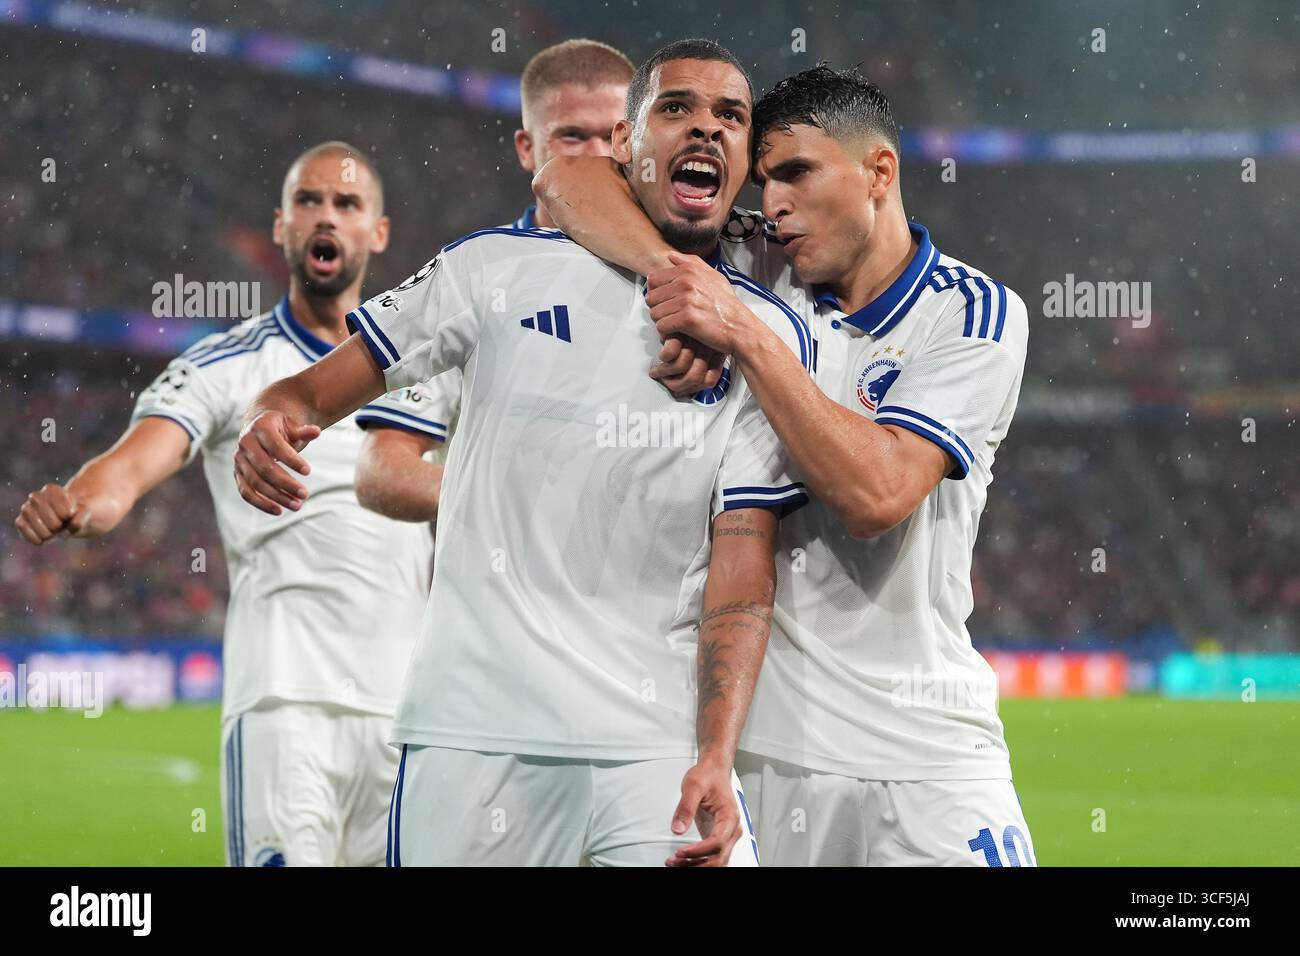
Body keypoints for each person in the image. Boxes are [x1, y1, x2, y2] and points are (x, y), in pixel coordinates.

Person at [233, 40, 813, 867]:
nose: (707, 129)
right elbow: (304, 396)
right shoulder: (490, 270)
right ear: (627, 143)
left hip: (657, 745)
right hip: (475, 738)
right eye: (676, 108)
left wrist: (717, 751)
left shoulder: (763, 320)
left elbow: (743, 557)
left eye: (731, 116)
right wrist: (267, 420)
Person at [533, 64, 1037, 866]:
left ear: (879, 171)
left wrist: (742, 333)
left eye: (797, 172)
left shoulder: (970, 312)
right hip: (756, 759)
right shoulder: (757, 258)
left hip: (925, 753)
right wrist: (679, 276)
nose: (771, 204)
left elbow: (879, 492)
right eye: (763, 180)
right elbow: (566, 178)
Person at [15, 142, 441, 867]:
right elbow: (131, 463)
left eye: (346, 203)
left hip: (410, 712)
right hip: (283, 703)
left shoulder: (428, 366)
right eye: (308, 202)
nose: (324, 217)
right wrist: (84, 502)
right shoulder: (228, 363)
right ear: (281, 226)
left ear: (379, 232)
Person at [354, 39, 636, 523]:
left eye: (613, 136)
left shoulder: (688, 276)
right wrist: (517, 508)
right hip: (500, 594)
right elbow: (382, 468)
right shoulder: (475, 278)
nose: (595, 157)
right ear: (527, 148)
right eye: (571, 136)